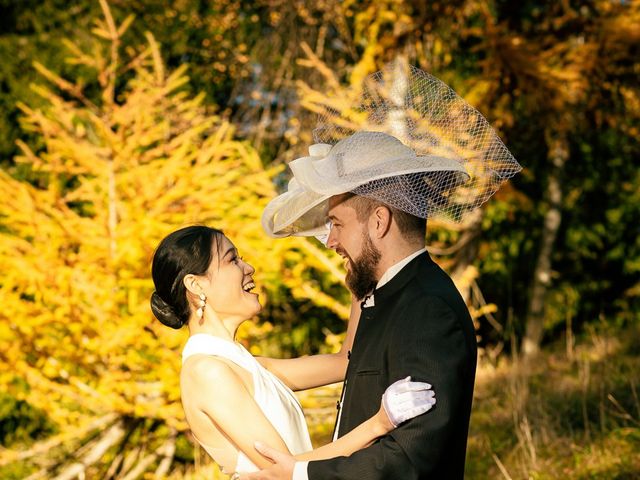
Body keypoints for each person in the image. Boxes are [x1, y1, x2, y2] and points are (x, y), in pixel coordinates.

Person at [248, 124, 521, 479]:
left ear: (379, 221)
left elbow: (412, 458)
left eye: (336, 223)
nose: (330, 241)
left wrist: (301, 474)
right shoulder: (385, 300)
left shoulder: (427, 309)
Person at [150, 225, 436, 478]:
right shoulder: (207, 372)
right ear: (196, 284)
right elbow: (285, 471)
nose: (248, 267)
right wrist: (379, 423)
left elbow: (344, 362)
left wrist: (356, 266)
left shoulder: (245, 364)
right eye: (232, 259)